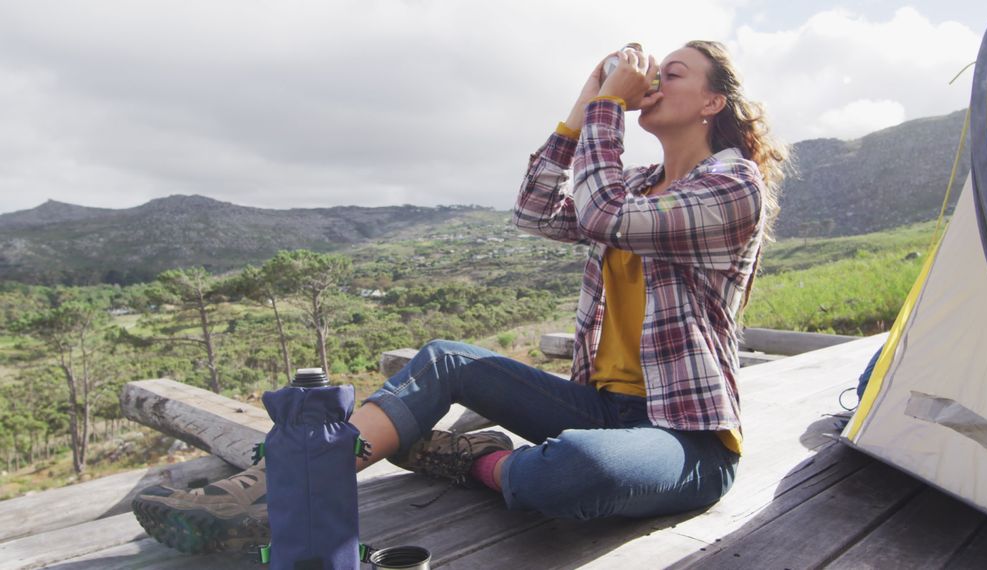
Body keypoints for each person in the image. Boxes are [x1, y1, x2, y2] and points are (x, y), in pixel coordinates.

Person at [132, 40, 788, 554]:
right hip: (599, 404)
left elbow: (600, 215)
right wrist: (580, 106)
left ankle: (481, 460)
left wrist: (607, 110)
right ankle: (282, 486)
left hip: (685, 440)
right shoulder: (638, 180)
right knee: (446, 357)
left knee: (566, 473)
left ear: (712, 103)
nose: (656, 78)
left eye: (674, 72)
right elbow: (537, 211)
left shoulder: (733, 186)